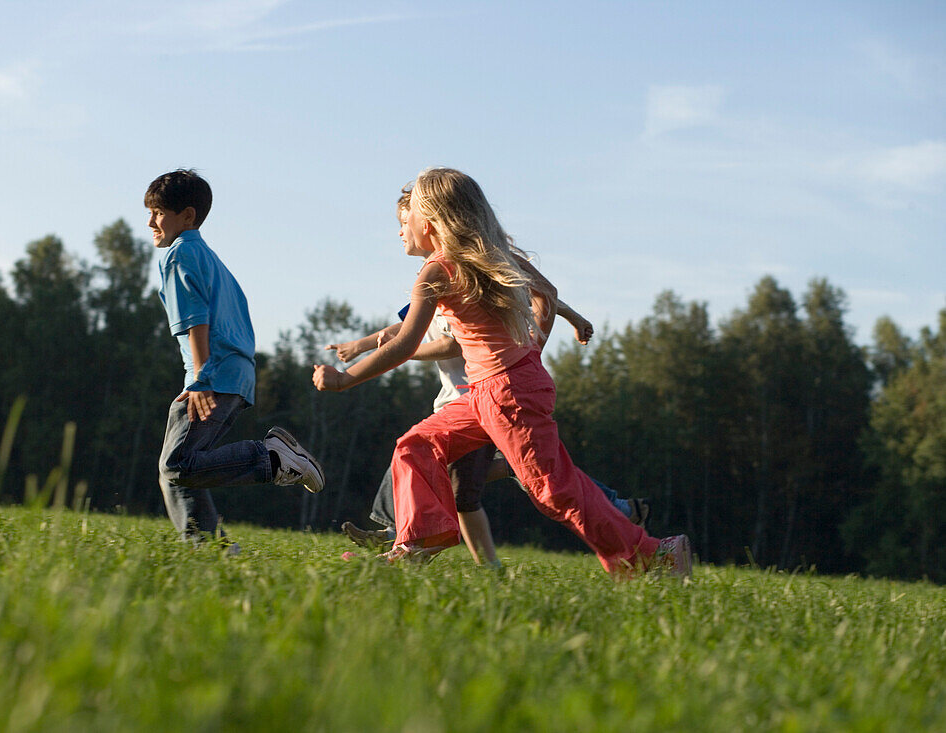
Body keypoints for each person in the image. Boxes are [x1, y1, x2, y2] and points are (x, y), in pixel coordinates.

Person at [314, 168, 690, 578]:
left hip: (505, 393)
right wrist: (533, 349)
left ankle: (654, 555)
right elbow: (547, 295)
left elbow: (404, 344)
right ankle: (417, 542)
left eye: (412, 215)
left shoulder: (437, 272)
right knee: (416, 446)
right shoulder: (493, 256)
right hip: (492, 391)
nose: (404, 227)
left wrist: (345, 378)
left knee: (552, 491)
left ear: (433, 219)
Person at [147, 169, 324, 543]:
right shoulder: (209, 257)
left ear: (187, 216)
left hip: (214, 375)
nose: (150, 221)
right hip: (234, 372)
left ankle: (272, 459)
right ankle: (209, 550)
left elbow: (197, 322)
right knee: (178, 472)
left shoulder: (179, 256)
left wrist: (200, 379)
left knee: (177, 465)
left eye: (158, 212)